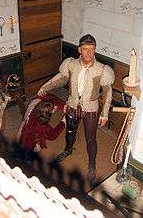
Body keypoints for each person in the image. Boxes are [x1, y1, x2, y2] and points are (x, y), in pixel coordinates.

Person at [38, 34, 115, 183]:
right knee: (70, 132)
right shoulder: (71, 64)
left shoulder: (102, 69)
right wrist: (45, 87)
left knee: (90, 138)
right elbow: (61, 78)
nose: (89, 53)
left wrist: (104, 113)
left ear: (94, 50)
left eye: (92, 50)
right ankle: (67, 150)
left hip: (91, 109)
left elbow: (107, 92)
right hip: (73, 105)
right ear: (79, 49)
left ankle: (92, 165)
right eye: (85, 49)